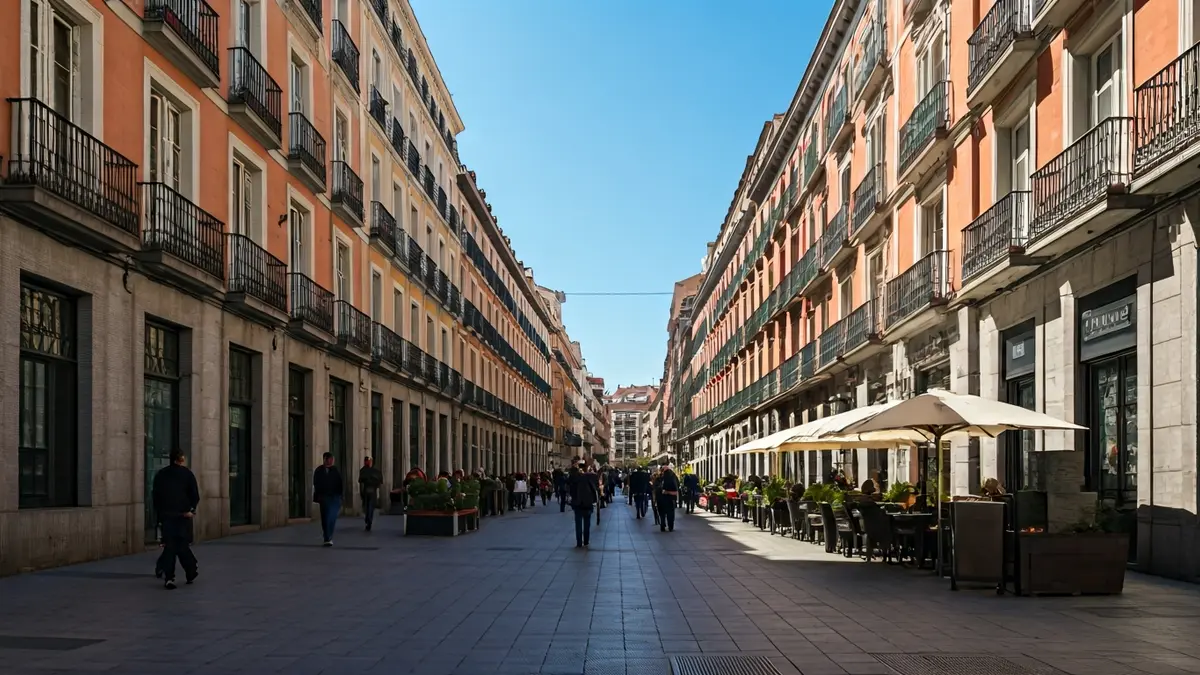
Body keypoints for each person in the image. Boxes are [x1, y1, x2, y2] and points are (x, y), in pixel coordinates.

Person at [152, 449, 199, 590]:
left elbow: (156, 497)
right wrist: (191, 510)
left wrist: (159, 514)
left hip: (167, 516)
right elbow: (194, 495)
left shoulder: (161, 475)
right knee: (182, 545)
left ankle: (169, 576)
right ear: (181, 460)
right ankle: (190, 570)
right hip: (183, 516)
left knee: (170, 546)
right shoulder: (187, 474)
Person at [313, 452, 344, 546]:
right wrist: (318, 495)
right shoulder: (319, 470)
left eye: (332, 459)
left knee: (332, 517)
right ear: (325, 459)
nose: (331, 461)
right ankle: (327, 536)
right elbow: (316, 483)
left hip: (334, 497)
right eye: (329, 459)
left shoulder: (335, 470)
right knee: (325, 517)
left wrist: (340, 496)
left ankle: (329, 536)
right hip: (324, 497)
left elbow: (340, 483)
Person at [568, 467, 599, 548]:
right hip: (588, 504)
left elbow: (571, 493)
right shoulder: (587, 478)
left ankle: (579, 542)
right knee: (587, 523)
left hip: (578, 505)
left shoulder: (573, 481)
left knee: (578, 524)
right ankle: (586, 540)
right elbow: (593, 489)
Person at [358, 457, 383, 531]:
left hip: (372, 491)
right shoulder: (364, 471)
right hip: (367, 491)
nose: (368, 462)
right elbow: (361, 482)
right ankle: (368, 520)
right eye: (367, 461)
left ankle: (369, 520)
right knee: (367, 507)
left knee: (370, 507)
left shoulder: (375, 471)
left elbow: (380, 482)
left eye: (369, 461)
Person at [658, 465, 680, 532]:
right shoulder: (673, 478)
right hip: (670, 500)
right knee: (670, 514)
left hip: (663, 499)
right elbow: (676, 490)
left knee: (662, 513)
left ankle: (663, 525)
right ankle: (670, 526)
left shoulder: (661, 478)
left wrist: (666, 492)